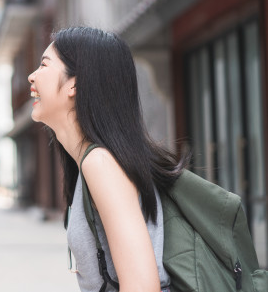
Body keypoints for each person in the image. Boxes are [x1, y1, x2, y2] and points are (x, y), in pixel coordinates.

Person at [27, 27, 187, 292]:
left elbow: (142, 287)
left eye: (44, 65)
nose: (32, 76)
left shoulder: (100, 163)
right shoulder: (89, 162)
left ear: (74, 84)